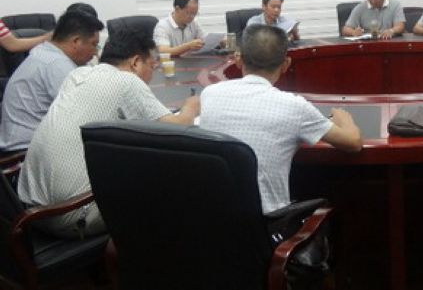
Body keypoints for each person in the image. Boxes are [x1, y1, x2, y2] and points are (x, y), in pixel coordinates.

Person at [17, 29, 200, 238]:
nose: (152, 73)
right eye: (152, 65)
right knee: (175, 181)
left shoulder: (77, 74)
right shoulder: (126, 81)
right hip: (71, 216)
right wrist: (192, 106)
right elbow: (178, 128)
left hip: (31, 211)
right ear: (135, 62)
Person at [200, 25, 361, 213]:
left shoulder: (210, 94)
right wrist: (344, 118)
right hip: (267, 224)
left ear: (238, 59)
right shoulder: (294, 106)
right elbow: (353, 143)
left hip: (211, 218)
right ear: (286, 64)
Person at [0, 10, 104, 153]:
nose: (95, 52)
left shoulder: (44, 52)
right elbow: (89, 115)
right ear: (76, 41)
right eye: (94, 44)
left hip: (28, 146)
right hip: (24, 153)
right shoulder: (57, 65)